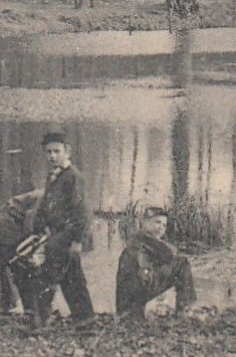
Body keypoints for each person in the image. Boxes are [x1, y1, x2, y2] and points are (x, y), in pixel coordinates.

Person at [12, 131, 95, 329]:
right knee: (71, 278)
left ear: (67, 152)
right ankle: (85, 318)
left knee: (46, 278)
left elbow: (82, 212)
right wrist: (39, 228)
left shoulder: (74, 177)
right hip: (55, 235)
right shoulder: (53, 177)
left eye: (57, 151)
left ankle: (38, 322)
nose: (52, 156)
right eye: (48, 152)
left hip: (68, 236)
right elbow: (45, 206)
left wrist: (78, 241)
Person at [115, 206, 196, 321]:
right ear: (145, 222)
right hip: (134, 301)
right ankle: (185, 309)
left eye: (164, 225)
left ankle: (181, 306)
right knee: (182, 263)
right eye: (157, 222)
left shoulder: (136, 239)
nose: (161, 228)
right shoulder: (145, 240)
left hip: (126, 303)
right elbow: (171, 254)